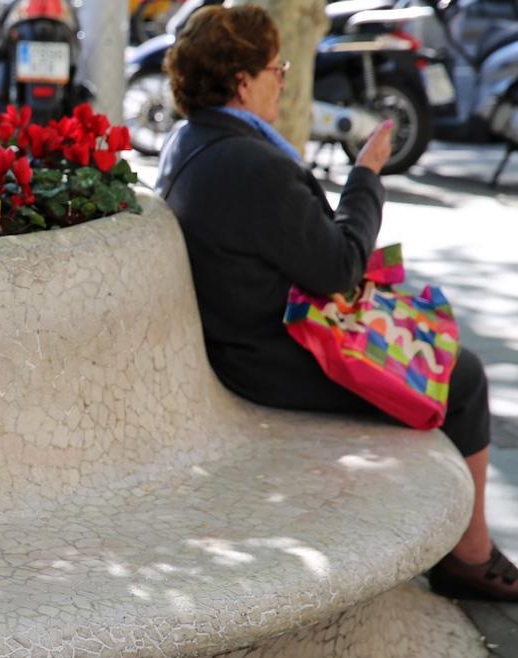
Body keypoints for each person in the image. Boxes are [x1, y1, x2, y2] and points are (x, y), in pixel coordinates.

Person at [156, 5, 517, 601]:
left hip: (242, 337)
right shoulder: (247, 163)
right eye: (277, 68)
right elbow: (339, 269)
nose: (285, 79)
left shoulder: (194, 140)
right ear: (242, 81)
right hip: (267, 358)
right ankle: (468, 556)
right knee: (461, 374)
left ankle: (450, 537)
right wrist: (367, 175)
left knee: (430, 331)